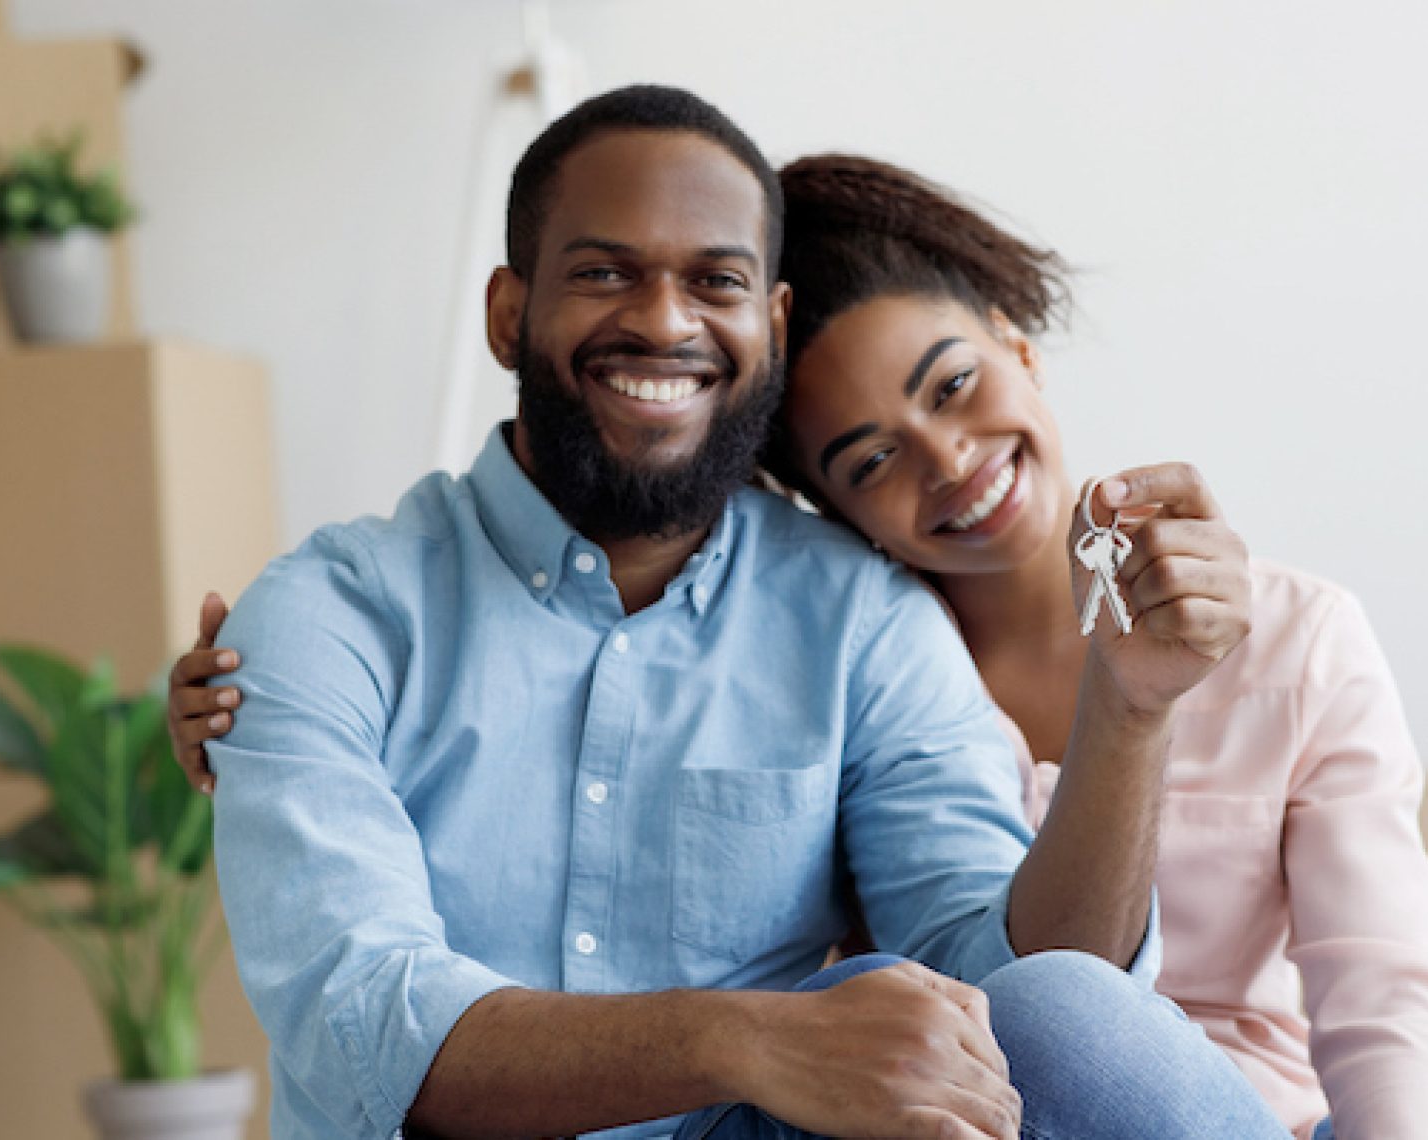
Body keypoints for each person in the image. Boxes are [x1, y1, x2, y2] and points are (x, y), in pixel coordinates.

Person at [172, 86, 1292, 1140]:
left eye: (714, 281)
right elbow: (361, 1017)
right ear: (509, 312)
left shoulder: (857, 620)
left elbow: (1018, 990)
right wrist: (741, 1036)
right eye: (606, 273)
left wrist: (1130, 709)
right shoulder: (326, 616)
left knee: (1045, 1007)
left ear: (770, 316)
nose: (664, 321)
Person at [753, 154, 1428, 1140]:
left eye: (954, 385)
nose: (951, 461)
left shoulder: (1298, 640)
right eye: (872, 459)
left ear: (1018, 348)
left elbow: (1386, 997)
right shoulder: (863, 698)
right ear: (834, 511)